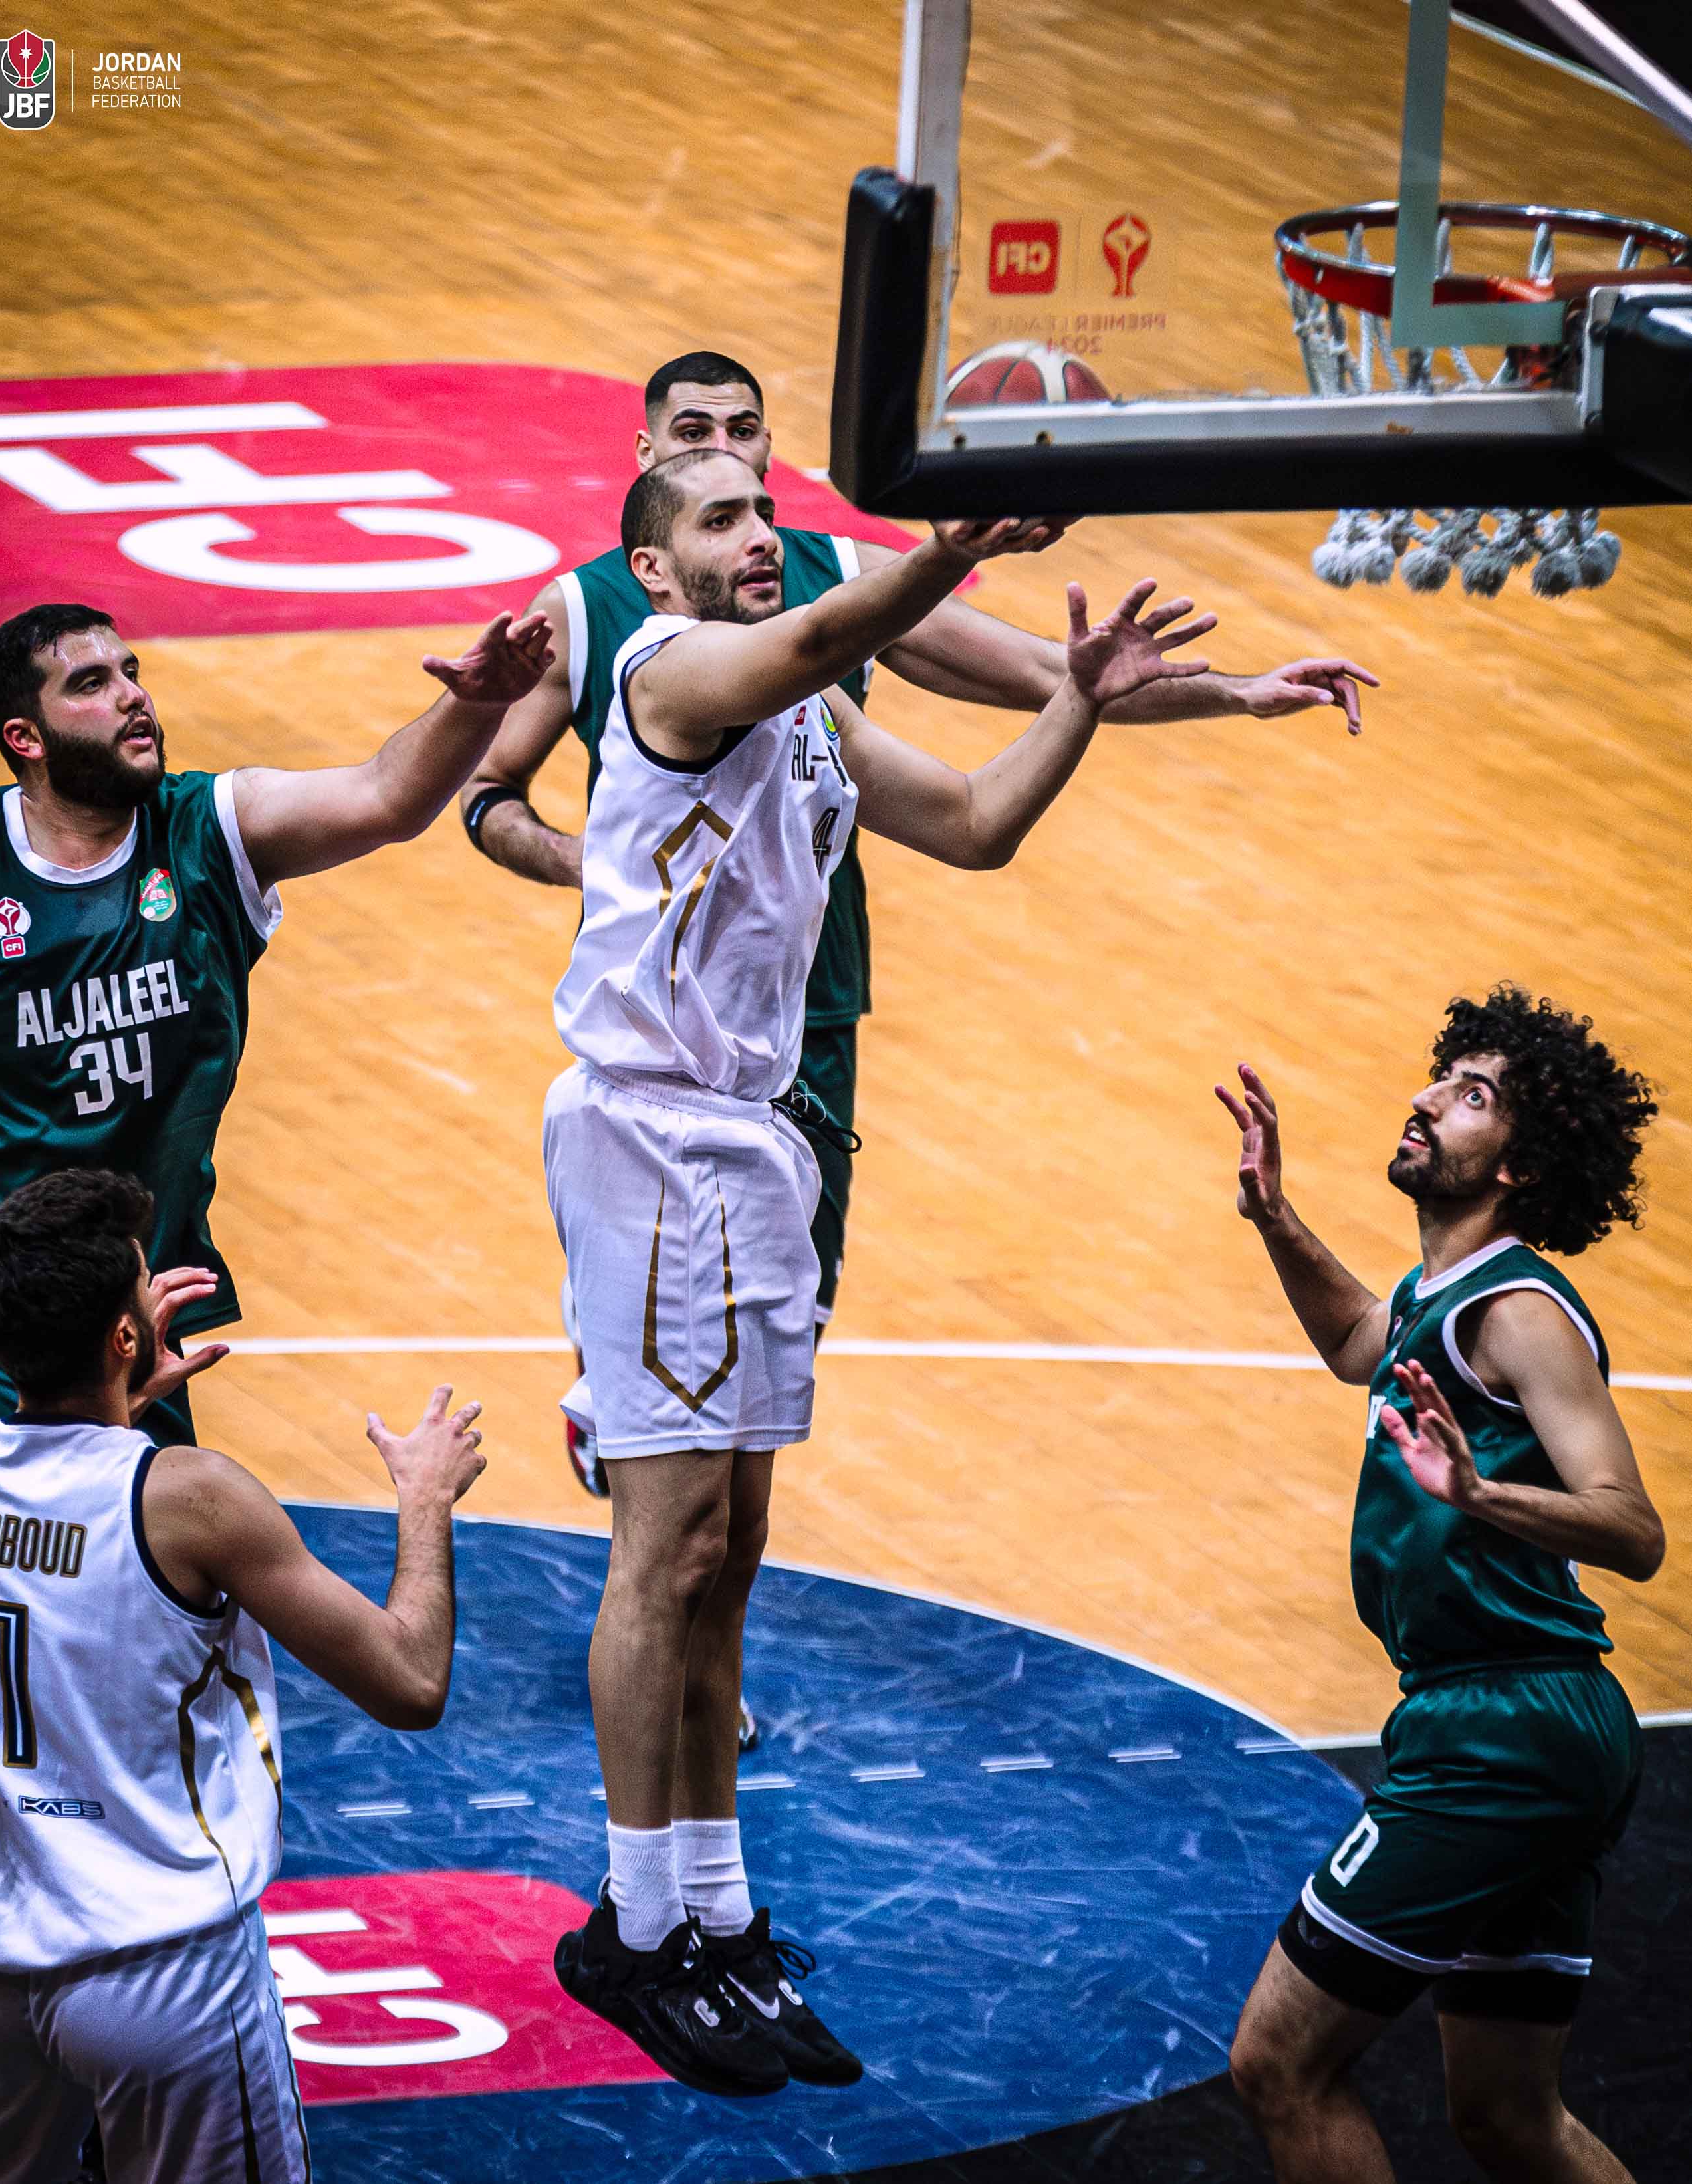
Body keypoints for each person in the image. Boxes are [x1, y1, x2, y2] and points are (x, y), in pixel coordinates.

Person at [546, 445, 1256, 2096]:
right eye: (720, 517)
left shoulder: (808, 711)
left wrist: (1078, 702)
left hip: (753, 1142)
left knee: (732, 1549)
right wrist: (947, 551)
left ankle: (718, 1913)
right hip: (650, 1135)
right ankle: (633, 1928)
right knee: (665, 1547)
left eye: (765, 509)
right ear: (650, 566)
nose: (758, 534)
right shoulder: (671, 668)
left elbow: (976, 823)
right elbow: (813, 634)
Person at [462, 348, 1379, 1497]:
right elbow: (492, 795)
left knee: (745, 1480)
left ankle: (665, 1473)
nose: (728, 459)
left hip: (794, 1033)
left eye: (746, 441)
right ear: (649, 470)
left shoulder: (826, 600)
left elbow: (1010, 750)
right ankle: (621, 1400)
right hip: (663, 1085)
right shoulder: (626, 625)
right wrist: (590, 864)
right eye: (697, 440)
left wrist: (1219, 691)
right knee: (675, 1503)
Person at [0, 1167, 487, 2184]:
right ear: (124, 1335)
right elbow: (410, 1681)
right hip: (163, 1974)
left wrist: (113, 1393)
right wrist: (426, 1497)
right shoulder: (194, 1500)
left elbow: (56, 1494)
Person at [1214, 986, 1665, 2184]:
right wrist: (1274, 1216)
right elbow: (1355, 1340)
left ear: (1518, 1166)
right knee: (1509, 2119)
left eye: (1471, 1098)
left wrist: (1481, 1493)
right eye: (1442, 1077)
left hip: (1501, 1730)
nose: (1424, 1100)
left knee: (1278, 2065)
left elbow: (1632, 1530)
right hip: (1522, 1725)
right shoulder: (1436, 1295)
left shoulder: (1517, 1310)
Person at [0, 600, 554, 1445]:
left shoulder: (206, 829)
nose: (131, 695)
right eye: (90, 684)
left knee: (158, 1522)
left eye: (130, 672)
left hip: (131, 1309)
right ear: (26, 738)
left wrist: (476, 703)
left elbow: (385, 796)